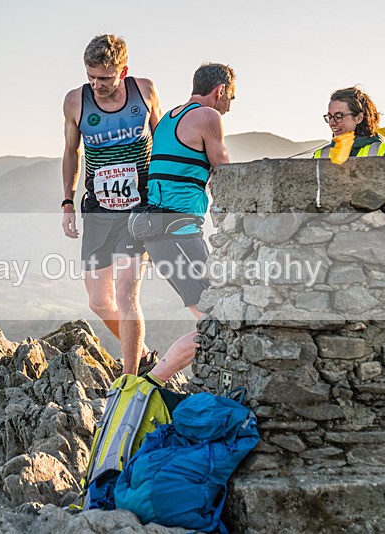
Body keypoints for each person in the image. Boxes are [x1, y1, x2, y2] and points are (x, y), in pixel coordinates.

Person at [61, 34, 162, 376]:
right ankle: (143, 356)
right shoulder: (75, 101)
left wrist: (164, 202)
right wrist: (67, 202)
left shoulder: (144, 92)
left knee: (125, 295)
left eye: (104, 78)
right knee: (99, 301)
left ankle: (129, 376)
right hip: (98, 210)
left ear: (123, 71)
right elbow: (71, 152)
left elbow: (162, 143)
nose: (97, 85)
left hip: (138, 210)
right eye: (91, 76)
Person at [141, 63, 235, 386]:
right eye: (230, 98)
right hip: (177, 235)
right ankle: (149, 385)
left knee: (212, 318)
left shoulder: (168, 119)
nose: (229, 106)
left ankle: (152, 382)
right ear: (220, 91)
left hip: (159, 234)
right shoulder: (209, 117)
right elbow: (226, 174)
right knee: (214, 321)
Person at [313, 86, 385, 158]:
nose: (331, 123)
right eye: (330, 117)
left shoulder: (383, 153)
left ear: (359, 118)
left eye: (338, 117)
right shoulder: (321, 155)